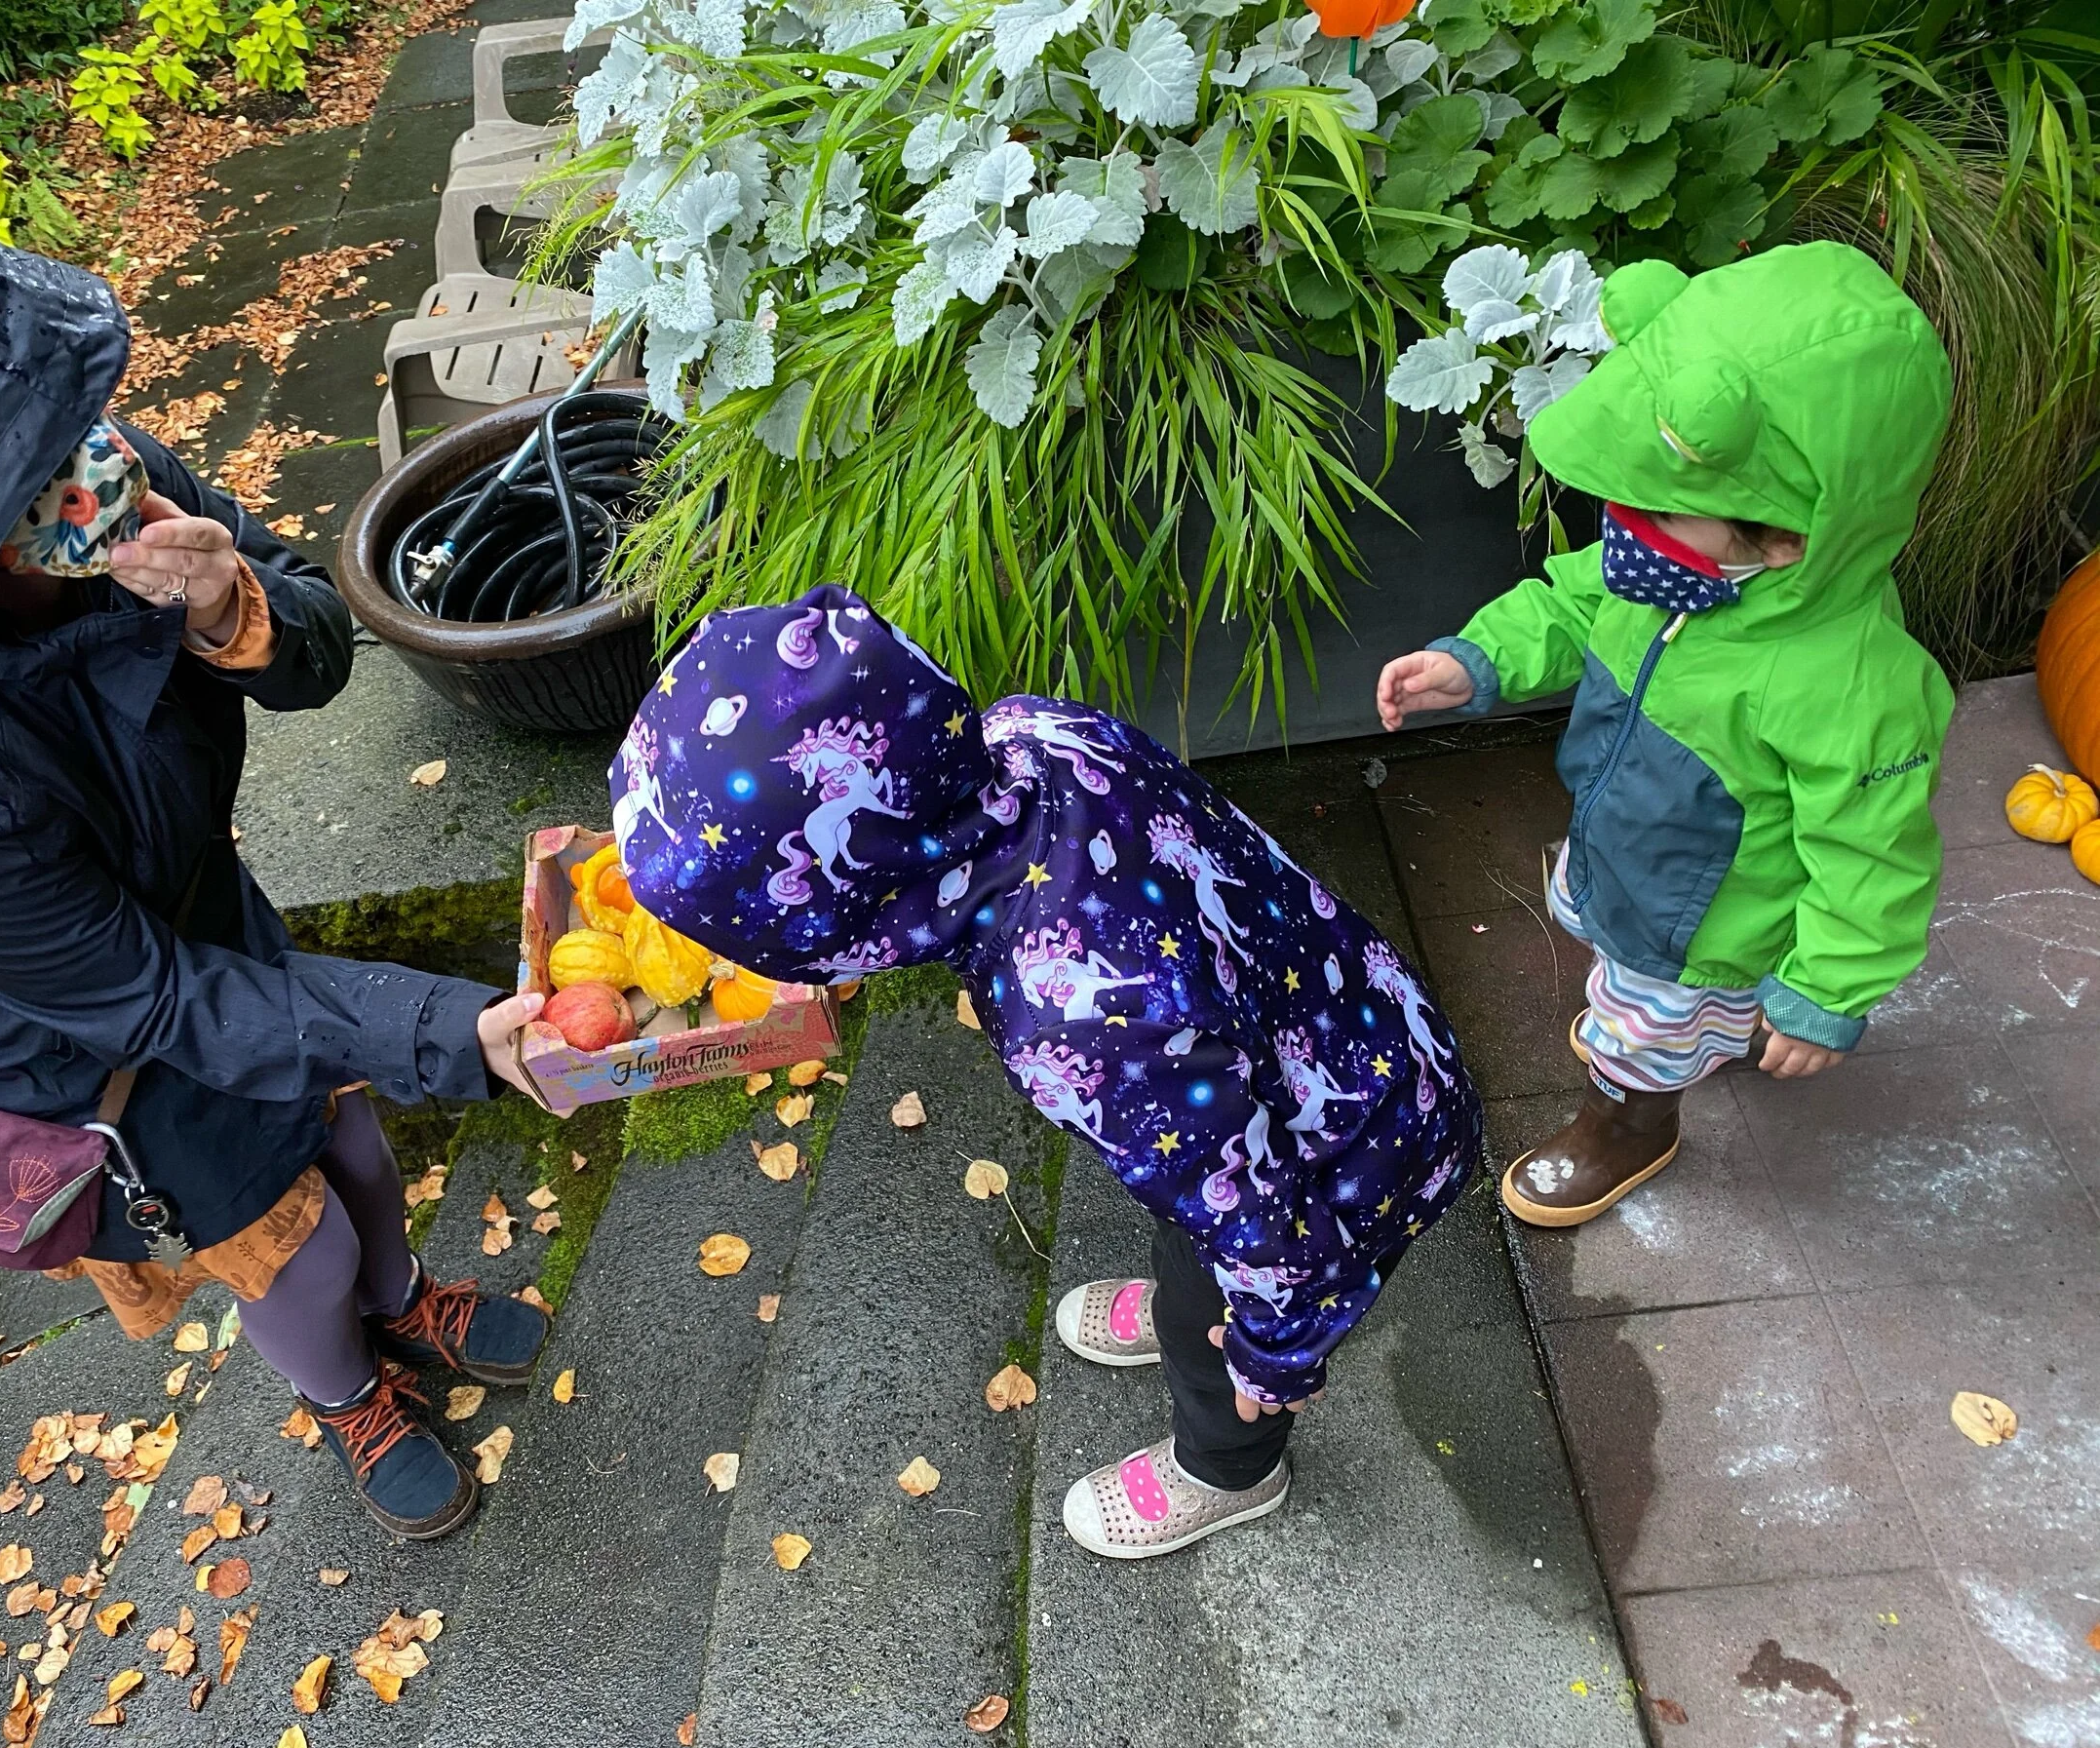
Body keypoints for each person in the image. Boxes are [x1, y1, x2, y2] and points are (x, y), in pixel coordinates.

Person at [0, 197, 550, 1541]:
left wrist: (227, 605)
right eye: (41, 484)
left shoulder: (83, 465)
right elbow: (149, 999)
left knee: (349, 1121)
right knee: (282, 1234)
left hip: (183, 901)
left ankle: (402, 1291)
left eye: (84, 430)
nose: (103, 482)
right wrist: (448, 1020)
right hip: (63, 1036)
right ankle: (343, 1387)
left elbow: (314, 642)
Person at [612, 585, 1482, 1558]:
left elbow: (1249, 1196)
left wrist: (1276, 1348)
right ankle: (1188, 1298)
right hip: (1336, 1008)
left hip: (1346, 1154)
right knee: (1188, 1202)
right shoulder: (1029, 736)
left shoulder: (1080, 1020)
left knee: (1220, 1297)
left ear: (844, 924)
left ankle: (1229, 1468)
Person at [1376, 242, 1954, 1228]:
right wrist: (1478, 660)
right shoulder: (1669, 565)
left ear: (1786, 540)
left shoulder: (1846, 682)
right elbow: (1570, 601)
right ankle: (1711, 1031)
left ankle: (1628, 1121)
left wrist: (1829, 991)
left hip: (1701, 919)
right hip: (1638, 844)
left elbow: (1871, 850)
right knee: (1651, 980)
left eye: (1657, 511)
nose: (1621, 529)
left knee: (1644, 1026)